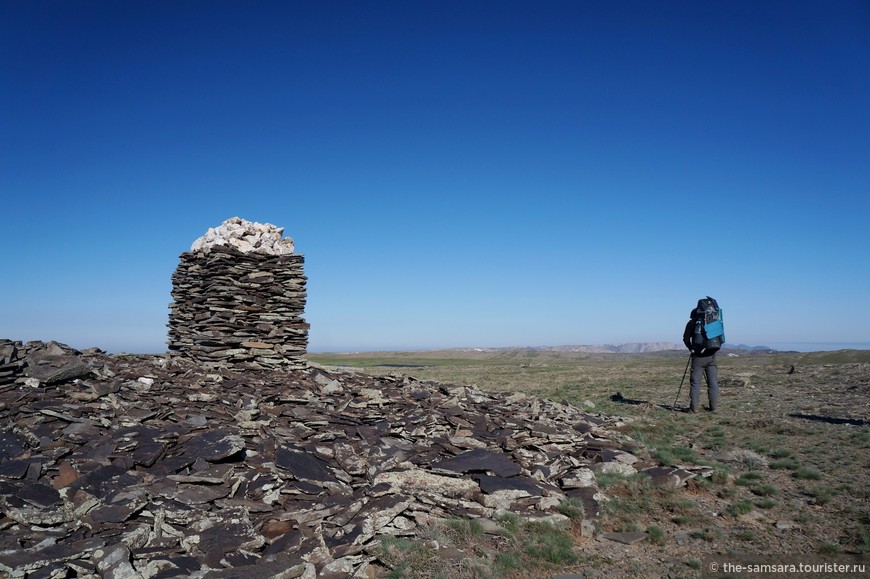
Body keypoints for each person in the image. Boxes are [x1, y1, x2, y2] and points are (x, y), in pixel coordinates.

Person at [682, 308, 719, 413]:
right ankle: (714, 408)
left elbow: (685, 339)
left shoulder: (692, 323)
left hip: (698, 357)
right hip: (712, 356)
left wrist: (692, 348)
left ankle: (694, 409)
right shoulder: (711, 321)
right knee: (712, 383)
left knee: (695, 383)